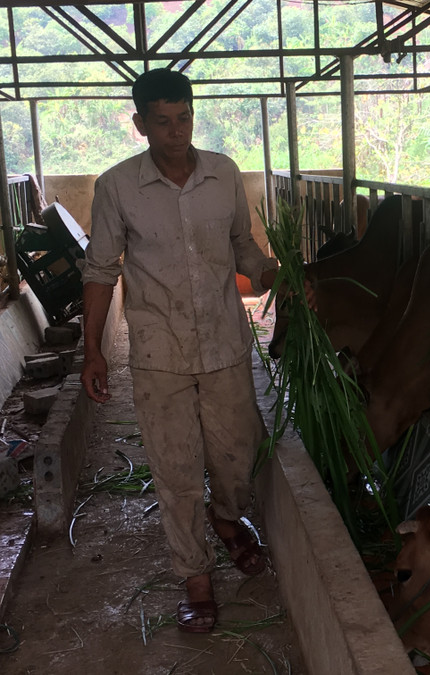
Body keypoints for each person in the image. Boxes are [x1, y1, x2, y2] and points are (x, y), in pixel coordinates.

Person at [80, 68, 312, 633]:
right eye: (162, 122)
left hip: (226, 344)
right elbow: (99, 270)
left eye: (183, 118)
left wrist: (270, 272)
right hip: (160, 353)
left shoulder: (224, 174)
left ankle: (227, 519)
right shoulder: (117, 188)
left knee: (237, 458)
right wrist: (92, 351)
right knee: (175, 467)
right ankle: (196, 576)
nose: (176, 131)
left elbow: (242, 249)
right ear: (140, 125)